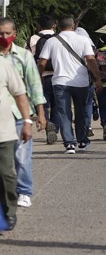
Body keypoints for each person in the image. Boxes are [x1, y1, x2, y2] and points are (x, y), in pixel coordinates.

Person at [37, 17, 102, 154]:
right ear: (73, 26)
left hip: (60, 81)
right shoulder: (83, 40)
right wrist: (97, 78)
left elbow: (42, 62)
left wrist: (39, 77)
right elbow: (90, 59)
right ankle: (83, 140)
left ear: (58, 26)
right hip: (81, 82)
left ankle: (69, 144)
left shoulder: (51, 41)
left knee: (64, 113)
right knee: (81, 111)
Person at [0, 18, 46, 209]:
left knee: (21, 156)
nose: (4, 37)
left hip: (19, 114)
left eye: (7, 33)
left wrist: (40, 113)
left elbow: (34, 85)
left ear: (14, 34)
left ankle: (24, 191)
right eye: (0, 34)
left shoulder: (23, 56)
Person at [0, 53, 32, 231]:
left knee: (5, 174)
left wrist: (27, 122)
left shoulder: (3, 64)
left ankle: (9, 211)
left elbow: (20, 95)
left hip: (3, 131)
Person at [27, 15, 58, 145]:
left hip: (40, 75)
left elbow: (27, 58)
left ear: (38, 26)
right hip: (58, 77)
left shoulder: (33, 39)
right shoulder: (59, 38)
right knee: (57, 105)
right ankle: (55, 128)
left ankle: (47, 124)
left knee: (43, 103)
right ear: (54, 25)